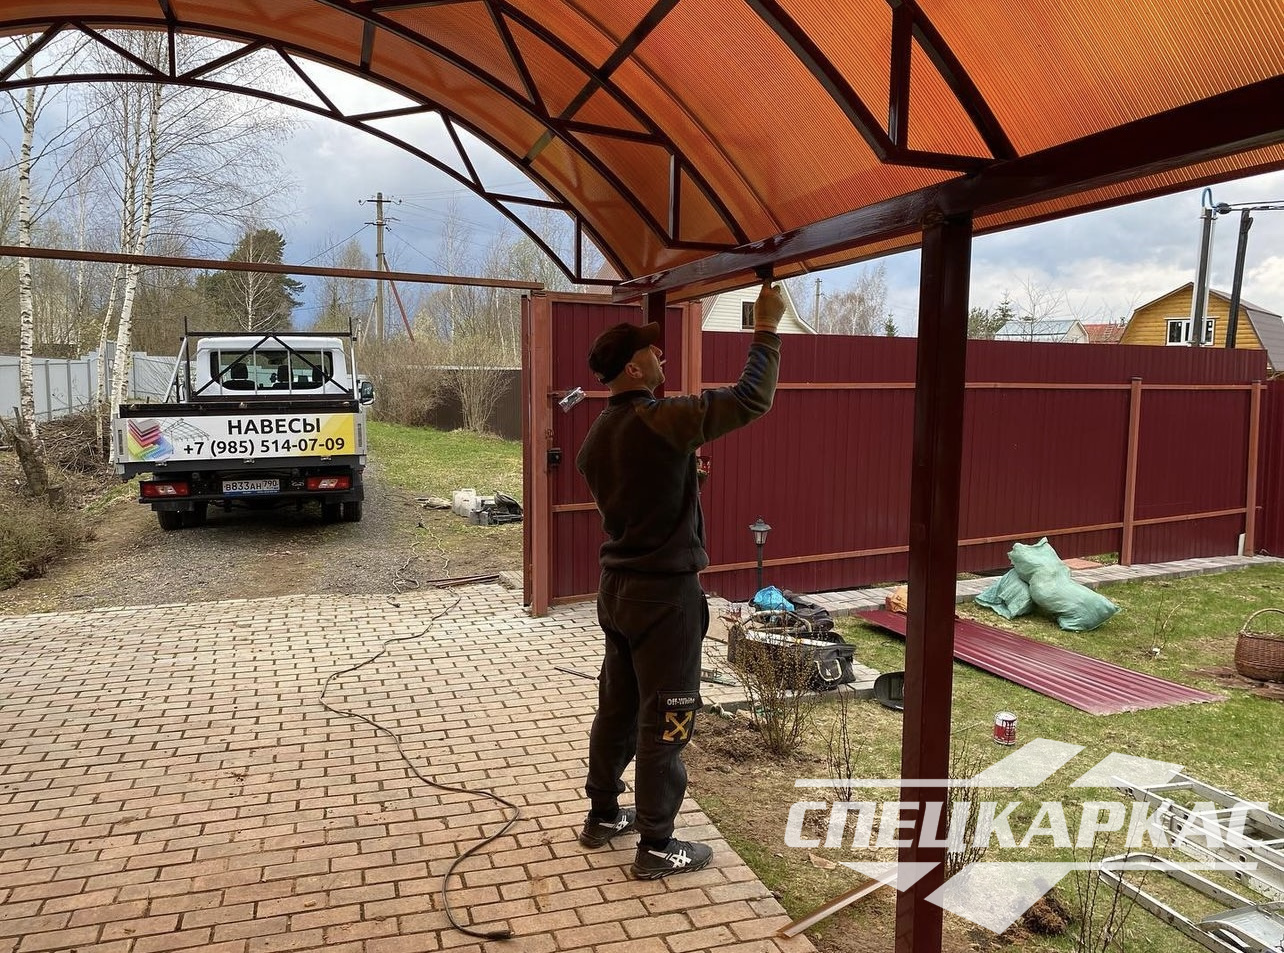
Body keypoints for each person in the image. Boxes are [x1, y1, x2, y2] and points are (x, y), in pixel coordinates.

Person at [575, 281, 784, 879]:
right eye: (652, 350)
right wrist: (766, 329)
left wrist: (683, 480)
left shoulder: (597, 436)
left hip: (618, 591)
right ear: (634, 367)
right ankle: (657, 844)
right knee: (668, 715)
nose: (660, 354)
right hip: (665, 598)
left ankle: (603, 814)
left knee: (617, 706)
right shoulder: (662, 420)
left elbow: (640, 495)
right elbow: (751, 398)